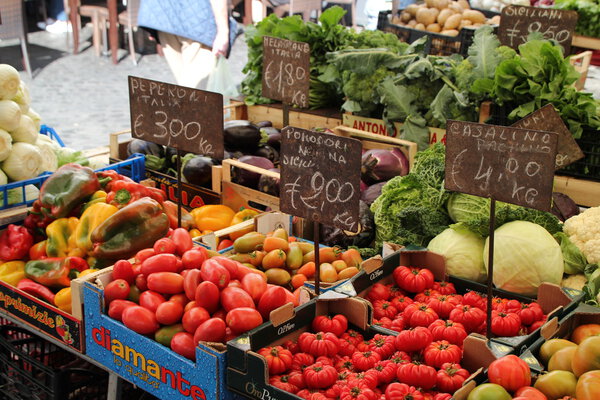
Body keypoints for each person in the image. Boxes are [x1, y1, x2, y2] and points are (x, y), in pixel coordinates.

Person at [138, 0, 238, 89]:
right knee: (199, 94)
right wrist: (223, 31)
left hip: (162, 17)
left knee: (188, 91)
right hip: (196, 20)